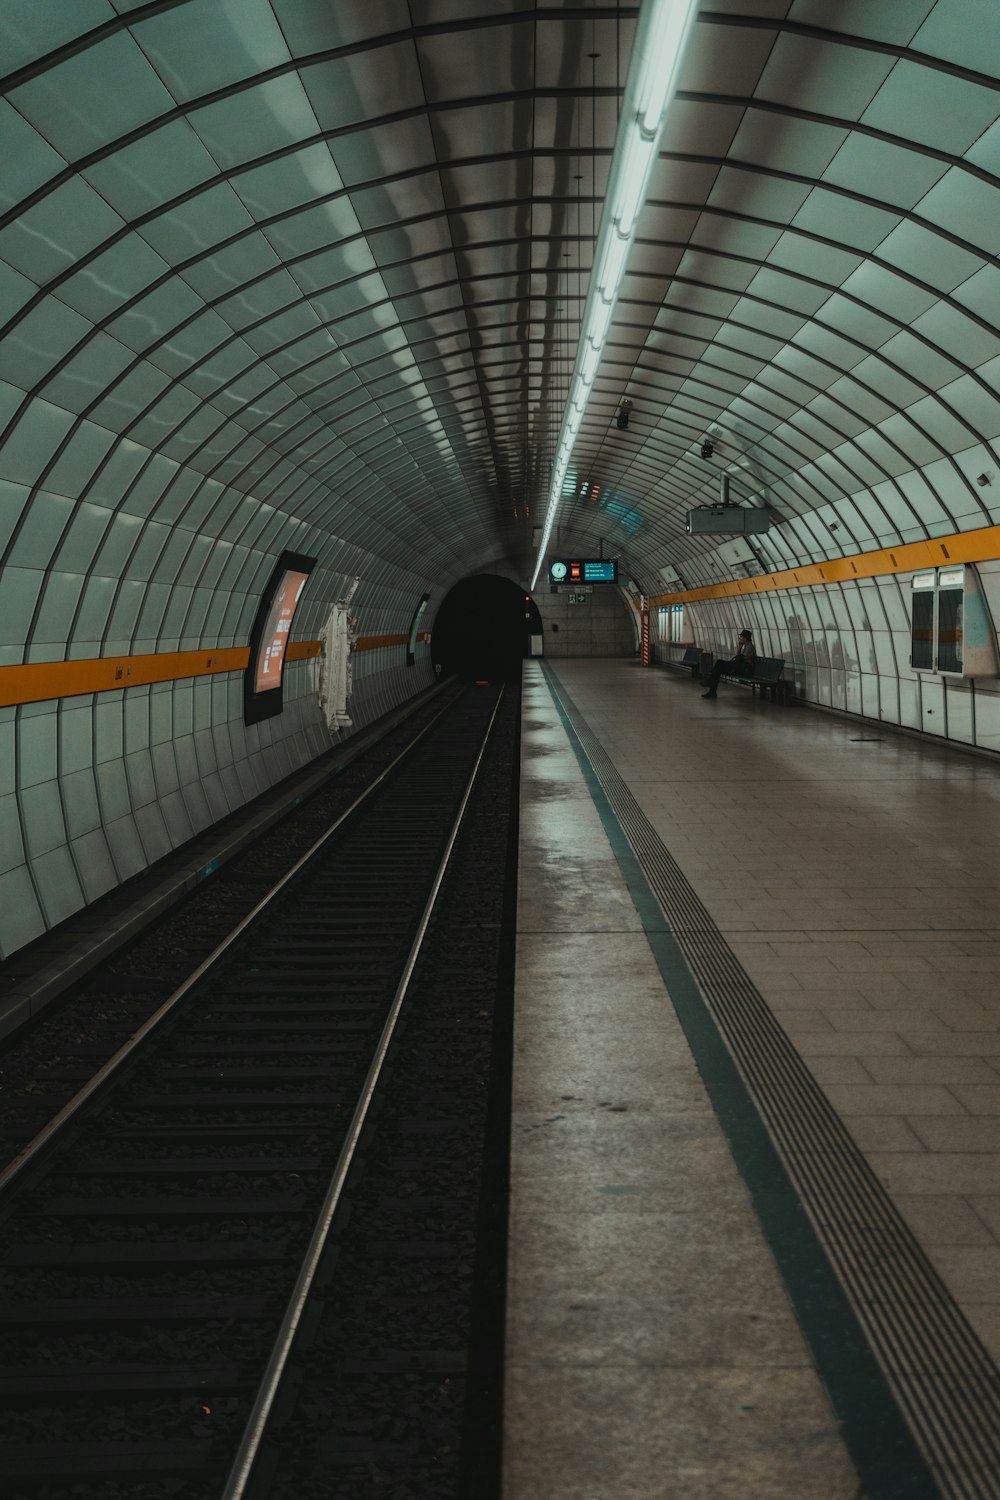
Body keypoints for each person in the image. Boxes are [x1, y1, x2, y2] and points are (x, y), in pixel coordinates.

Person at [702, 629, 756, 698]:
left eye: (741, 637)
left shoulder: (750, 647)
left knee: (719, 665)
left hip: (745, 670)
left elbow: (741, 659)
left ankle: (711, 687)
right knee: (718, 665)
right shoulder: (746, 646)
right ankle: (712, 690)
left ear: (746, 638)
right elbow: (739, 657)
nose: (740, 638)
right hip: (740, 668)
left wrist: (732, 663)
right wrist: (739, 648)